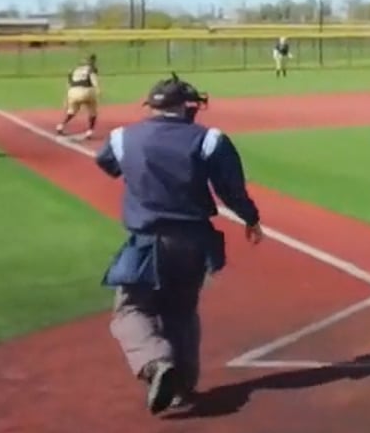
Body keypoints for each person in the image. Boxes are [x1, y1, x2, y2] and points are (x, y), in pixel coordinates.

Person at [93, 74, 263, 414]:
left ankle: (156, 362)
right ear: (188, 107)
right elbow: (231, 190)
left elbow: (106, 161)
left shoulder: (123, 137)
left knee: (131, 310)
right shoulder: (210, 140)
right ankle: (182, 387)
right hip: (194, 242)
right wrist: (251, 219)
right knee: (182, 311)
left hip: (147, 242)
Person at [56, 54, 101, 139]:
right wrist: (98, 91)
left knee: (72, 111)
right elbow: (94, 82)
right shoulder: (91, 69)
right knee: (93, 111)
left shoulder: (74, 70)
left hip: (72, 92)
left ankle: (60, 126)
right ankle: (89, 131)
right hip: (86, 92)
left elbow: (69, 85)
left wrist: (66, 98)